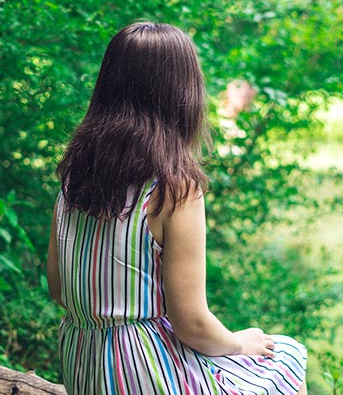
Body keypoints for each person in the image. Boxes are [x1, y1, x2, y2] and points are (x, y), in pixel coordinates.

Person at [46, 22, 308, 395]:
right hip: (147, 374)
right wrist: (238, 343)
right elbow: (192, 324)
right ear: (182, 95)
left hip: (85, 367)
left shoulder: (74, 181)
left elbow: (59, 288)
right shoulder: (174, 189)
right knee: (286, 355)